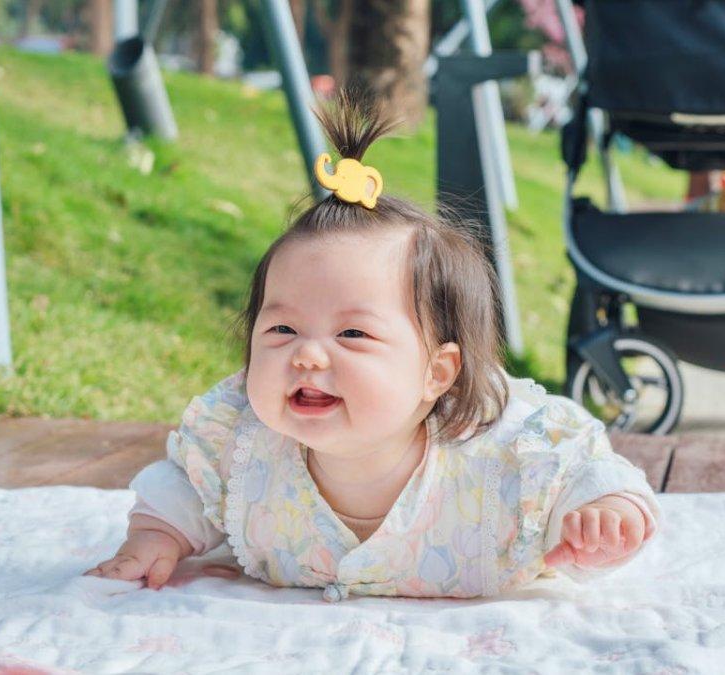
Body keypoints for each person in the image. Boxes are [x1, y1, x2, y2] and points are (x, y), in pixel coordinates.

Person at [85, 90, 662, 602]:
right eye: (281, 330)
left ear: (437, 373)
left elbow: (585, 473)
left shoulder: (510, 452)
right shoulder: (237, 443)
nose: (306, 356)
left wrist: (605, 516)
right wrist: (154, 537)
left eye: (352, 334)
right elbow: (182, 491)